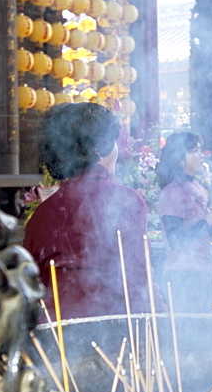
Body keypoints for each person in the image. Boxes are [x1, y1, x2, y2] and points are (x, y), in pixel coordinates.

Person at [22, 103, 157, 319]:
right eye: (112, 140)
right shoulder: (126, 201)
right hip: (113, 329)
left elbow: (31, 284)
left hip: (57, 339)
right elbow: (137, 277)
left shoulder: (40, 215)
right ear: (97, 147)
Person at [156, 131, 212, 314]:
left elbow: (203, 236)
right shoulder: (172, 192)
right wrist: (206, 221)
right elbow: (176, 241)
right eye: (194, 150)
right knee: (185, 333)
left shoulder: (195, 187)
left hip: (201, 271)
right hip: (183, 275)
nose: (201, 155)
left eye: (200, 150)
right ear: (180, 159)